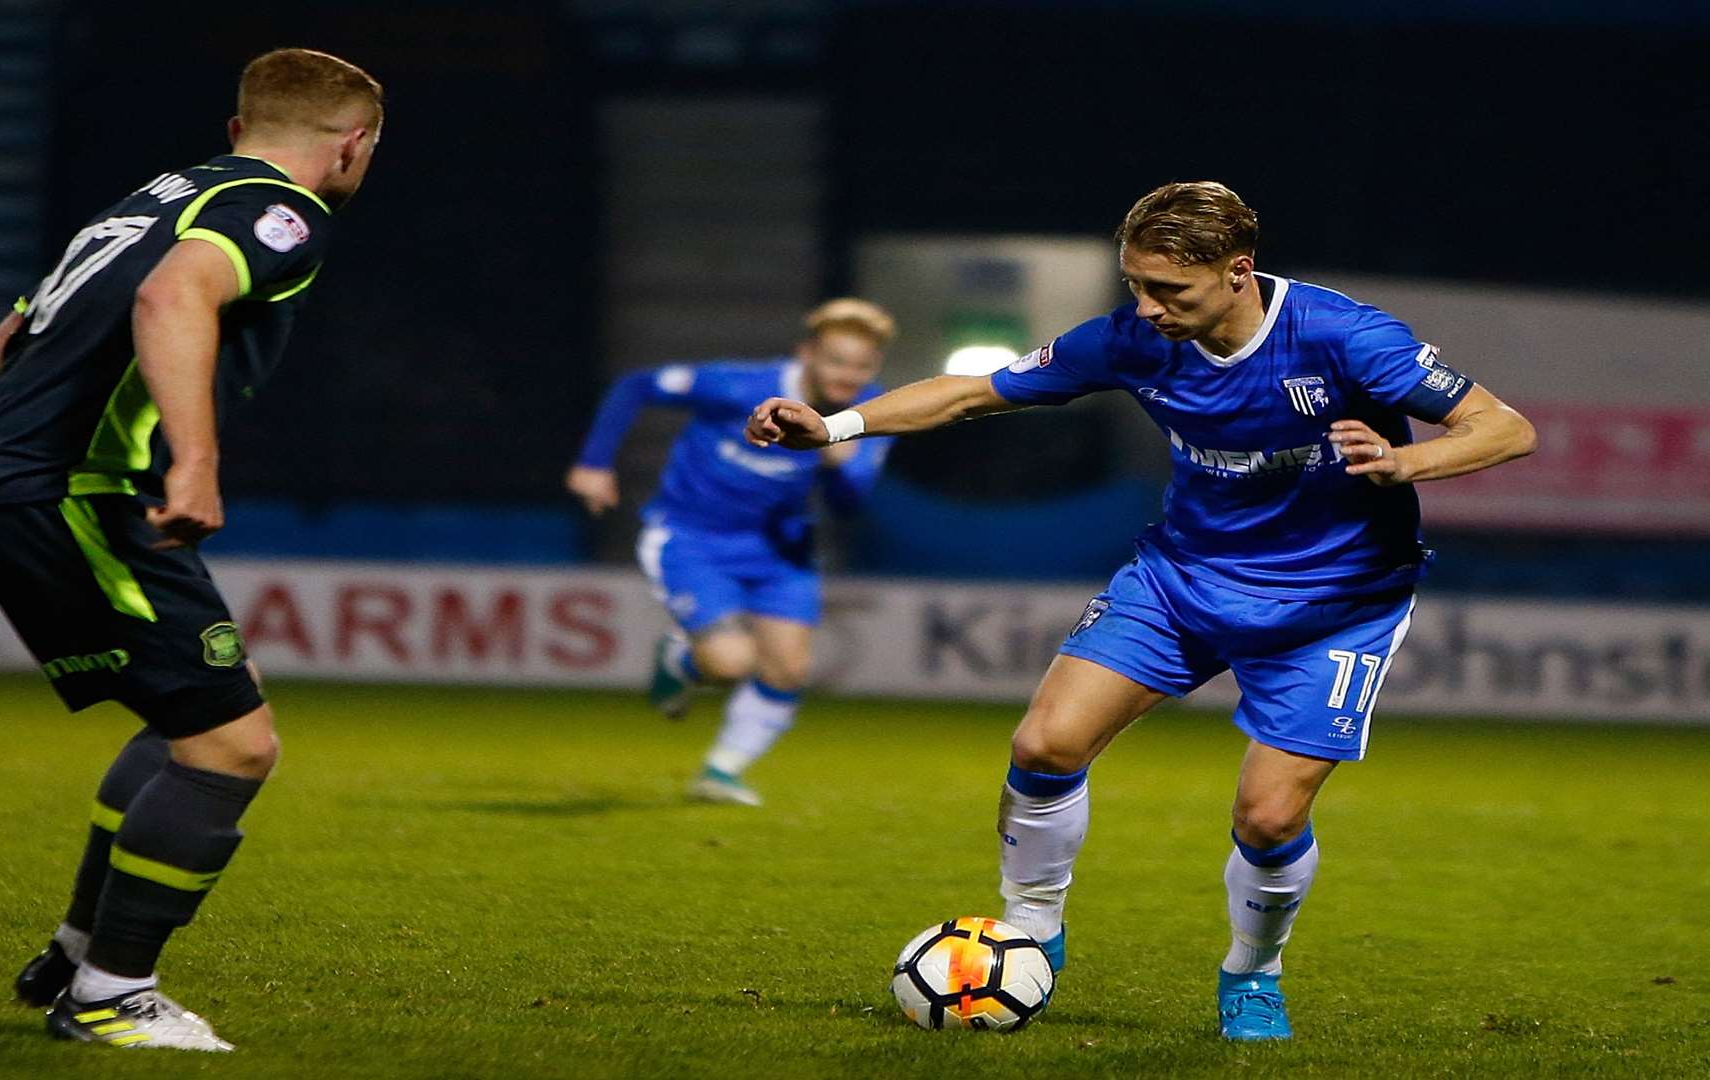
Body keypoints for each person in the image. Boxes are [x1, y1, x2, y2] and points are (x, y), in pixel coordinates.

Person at [745, 182, 1537, 1040]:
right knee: (1044, 744)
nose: (1148, 308)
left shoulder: (1344, 336)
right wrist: (833, 429)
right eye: (1136, 286)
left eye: (1171, 291)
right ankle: (1036, 929)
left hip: (1335, 603)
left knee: (1269, 817)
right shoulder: (1129, 340)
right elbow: (972, 392)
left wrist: (1402, 465)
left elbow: (1504, 428)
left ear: (1239, 271)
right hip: (1183, 579)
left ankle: (1252, 973)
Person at [0, 48, 383, 1051]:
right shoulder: (283, 213)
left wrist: (23, 459)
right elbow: (171, 300)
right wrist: (193, 460)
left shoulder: (140, 204)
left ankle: (76, 950)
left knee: (200, 711)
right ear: (353, 145)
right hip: (77, 495)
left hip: (29, 485)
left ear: (237, 128)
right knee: (234, 744)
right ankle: (110, 992)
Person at [567, 299, 896, 806]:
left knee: (788, 668)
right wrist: (594, 463)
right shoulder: (738, 385)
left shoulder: (869, 411)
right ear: (805, 353)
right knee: (729, 663)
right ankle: (682, 659)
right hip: (692, 538)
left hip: (782, 549)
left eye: (862, 365)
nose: (849, 375)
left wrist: (836, 456)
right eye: (836, 360)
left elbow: (848, 503)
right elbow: (637, 387)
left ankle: (720, 771)